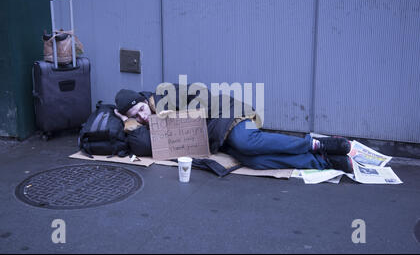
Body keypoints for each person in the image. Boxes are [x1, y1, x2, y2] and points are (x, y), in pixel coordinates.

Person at [113, 86, 353, 174]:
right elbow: (144, 146)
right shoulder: (145, 125)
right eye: (137, 118)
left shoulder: (164, 96)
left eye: (142, 110)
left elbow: (202, 97)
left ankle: (316, 144)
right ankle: (324, 162)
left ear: (144, 100)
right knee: (253, 161)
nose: (143, 117)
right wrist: (128, 122)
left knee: (246, 143)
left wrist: (175, 118)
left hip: (228, 114)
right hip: (218, 137)